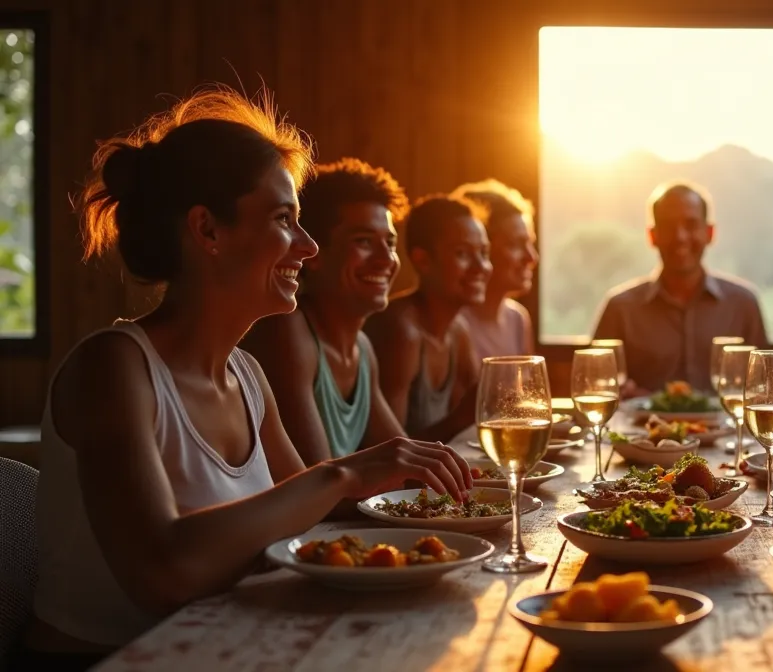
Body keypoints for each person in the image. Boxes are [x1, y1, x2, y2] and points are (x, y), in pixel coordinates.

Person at [19, 87, 470, 668]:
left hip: (225, 650)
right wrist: (344, 473)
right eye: (285, 220)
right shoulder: (113, 368)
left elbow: (317, 522)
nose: (307, 248)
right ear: (207, 231)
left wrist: (456, 523)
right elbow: (164, 571)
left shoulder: (246, 377)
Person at [241, 158, 409, 464]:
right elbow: (315, 480)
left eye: (391, 242)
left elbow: (404, 458)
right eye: (364, 241)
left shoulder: (362, 349)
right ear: (314, 253)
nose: (386, 259)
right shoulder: (289, 331)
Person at [591, 181, 768, 394]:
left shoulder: (743, 304)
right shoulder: (619, 308)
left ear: (710, 233)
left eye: (691, 225)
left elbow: (763, 390)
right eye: (667, 226)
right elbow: (594, 387)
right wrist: (616, 391)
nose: (680, 237)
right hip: (640, 427)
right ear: (652, 236)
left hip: (729, 428)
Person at [365, 195, 490, 442]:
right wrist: (466, 416)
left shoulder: (457, 331)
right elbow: (387, 451)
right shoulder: (401, 331)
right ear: (423, 260)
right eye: (463, 253)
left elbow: (477, 417)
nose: (480, 267)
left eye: (484, 253)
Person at [452, 179, 538, 364]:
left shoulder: (517, 320)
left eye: (530, 243)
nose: (532, 258)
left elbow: (526, 391)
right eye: (515, 244)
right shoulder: (451, 323)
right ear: (480, 248)